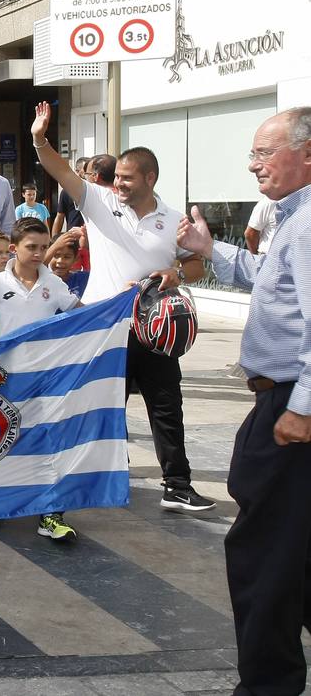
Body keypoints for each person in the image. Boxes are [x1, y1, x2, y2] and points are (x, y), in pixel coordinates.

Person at [175, 107, 311, 695]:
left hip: (290, 407)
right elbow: (270, 279)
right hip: (282, 402)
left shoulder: (307, 224)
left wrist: (301, 408)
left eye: (264, 152)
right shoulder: (292, 218)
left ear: (306, 153)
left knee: (263, 557)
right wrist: (215, 249)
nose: (253, 164)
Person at [30, 101, 214, 513]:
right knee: (97, 404)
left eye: (128, 179)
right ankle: (86, 480)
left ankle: (177, 485)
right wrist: (39, 139)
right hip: (103, 327)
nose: (120, 185)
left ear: (150, 178)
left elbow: (198, 263)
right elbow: (58, 169)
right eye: (117, 179)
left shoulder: (174, 218)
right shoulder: (99, 201)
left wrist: (175, 274)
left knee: (167, 405)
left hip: (153, 328)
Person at [0, 218, 82, 540]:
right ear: (15, 248)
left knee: (50, 443)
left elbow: (83, 315)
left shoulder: (54, 283)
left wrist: (117, 307)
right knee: (1, 442)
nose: (40, 253)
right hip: (5, 378)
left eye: (44, 247)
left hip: (45, 378)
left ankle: (50, 514)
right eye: (32, 247)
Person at [46, 229, 90, 299]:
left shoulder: (83, 278)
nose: (60, 261)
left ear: (75, 259)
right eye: (56, 255)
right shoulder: (42, 280)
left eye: (67, 257)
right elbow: (33, 270)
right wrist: (55, 246)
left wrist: (89, 238)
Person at [51, 158, 89, 238]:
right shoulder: (67, 191)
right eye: (85, 169)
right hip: (73, 237)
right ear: (77, 171)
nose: (88, 173)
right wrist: (54, 240)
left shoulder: (96, 191)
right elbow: (60, 216)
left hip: (90, 237)